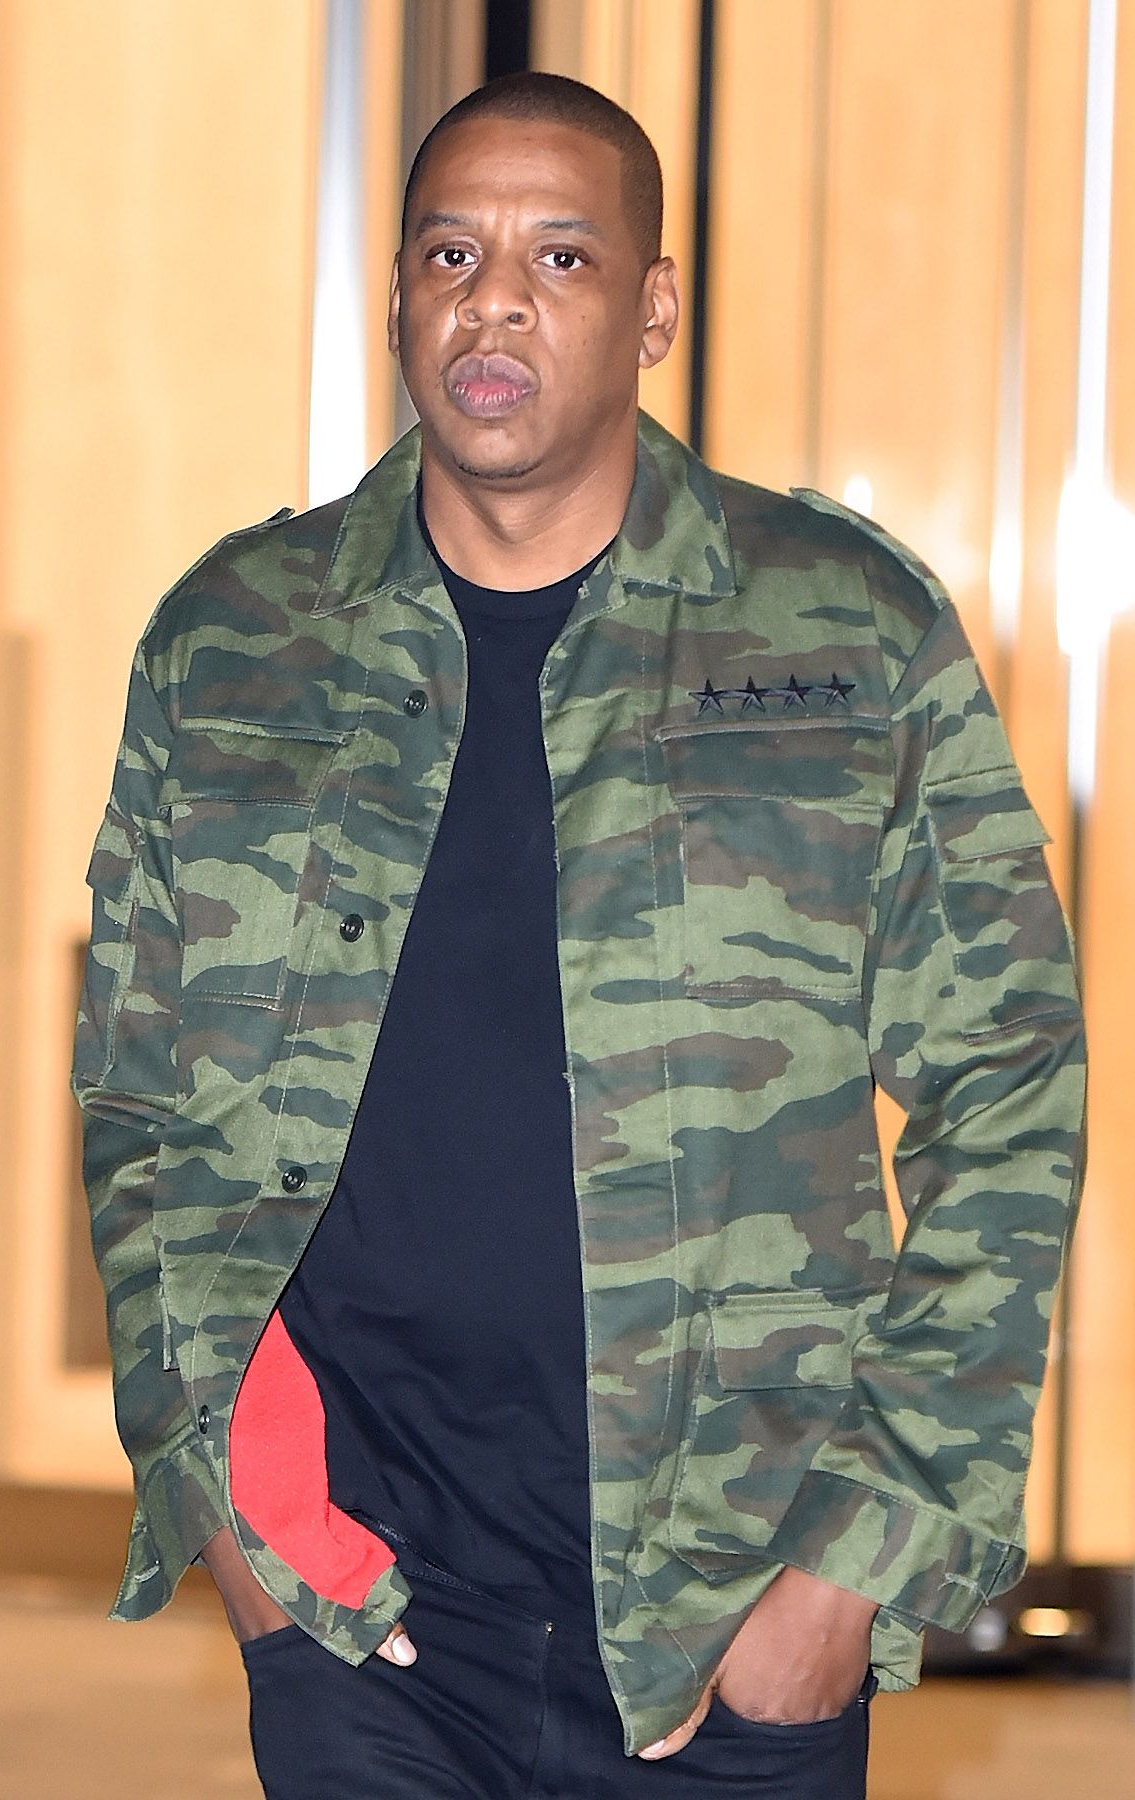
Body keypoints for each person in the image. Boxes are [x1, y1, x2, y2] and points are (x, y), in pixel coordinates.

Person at [73, 71, 1086, 1799]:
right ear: (399, 299)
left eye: (561, 257)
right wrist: (234, 1522)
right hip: (362, 1616)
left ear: (654, 309)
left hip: (731, 1613)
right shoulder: (235, 643)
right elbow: (138, 1104)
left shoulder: (843, 634)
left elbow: (1009, 1089)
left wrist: (851, 1570)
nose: (496, 302)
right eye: (450, 254)